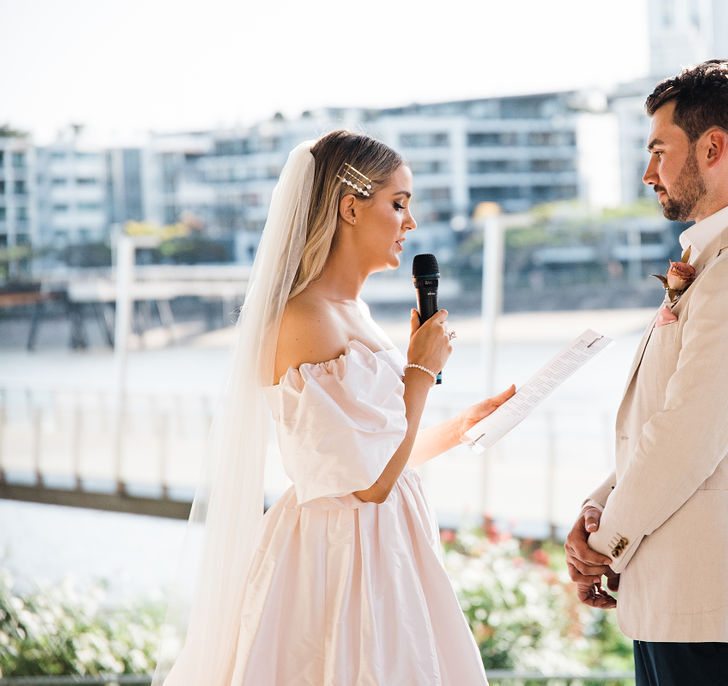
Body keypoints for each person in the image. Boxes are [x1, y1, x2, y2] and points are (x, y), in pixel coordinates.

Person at [156, 130, 514, 686]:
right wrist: (418, 370)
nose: (410, 224)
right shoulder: (305, 319)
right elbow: (367, 482)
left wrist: (462, 426)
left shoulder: (355, 311)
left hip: (390, 546)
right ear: (351, 207)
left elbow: (382, 454)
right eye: (399, 204)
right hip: (340, 558)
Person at [564, 58, 728, 685]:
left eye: (659, 150)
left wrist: (604, 546)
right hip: (680, 602)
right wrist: (599, 508)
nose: (647, 172)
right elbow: (673, 422)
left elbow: (687, 437)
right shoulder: (723, 258)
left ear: (713, 147)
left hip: (713, 611)